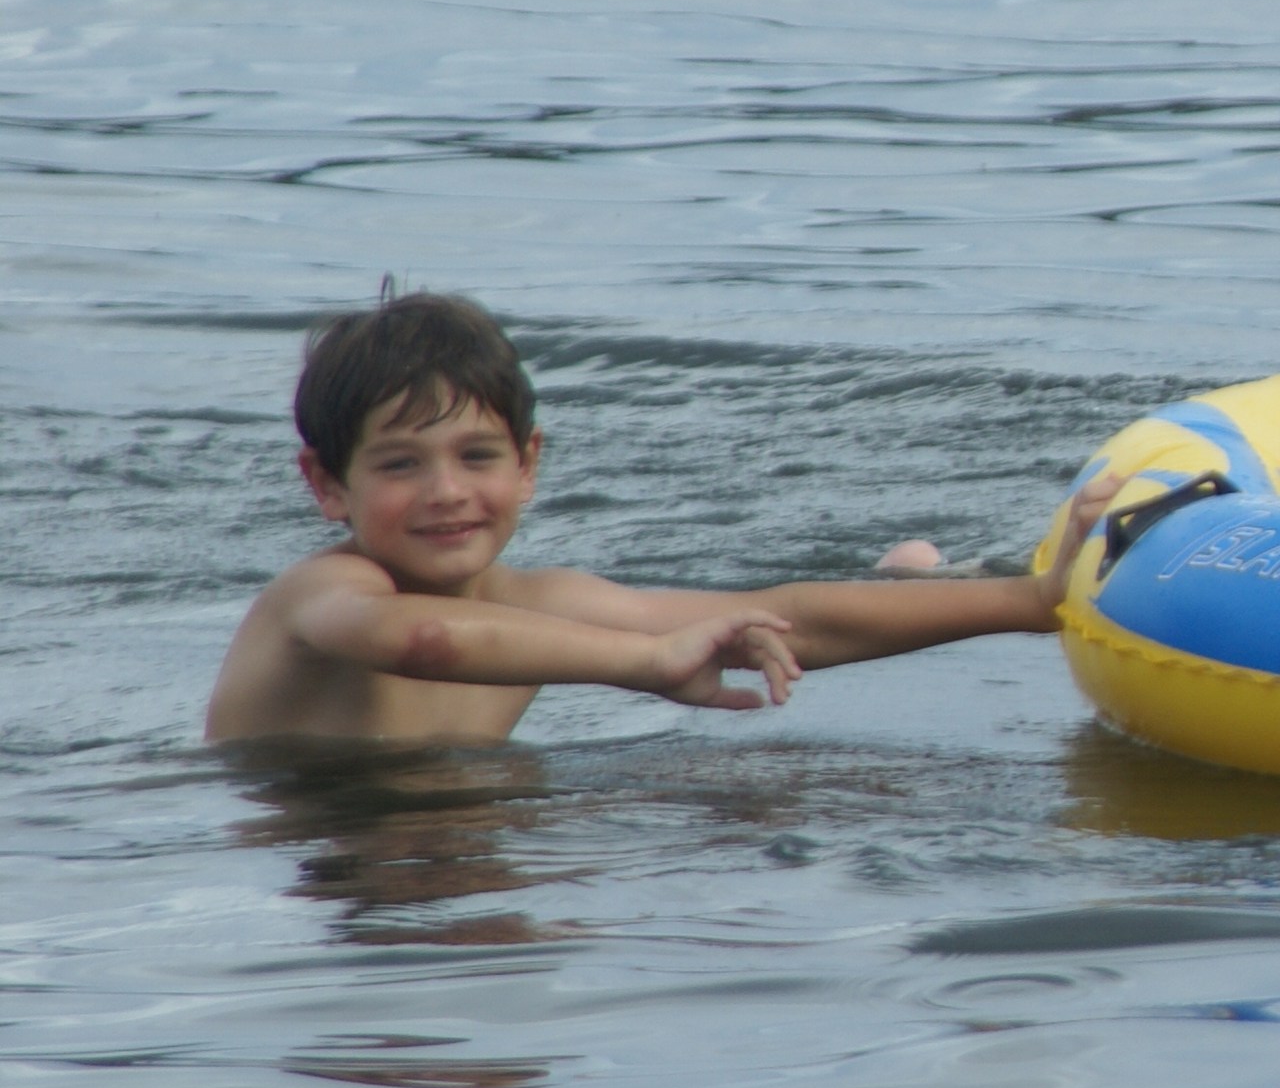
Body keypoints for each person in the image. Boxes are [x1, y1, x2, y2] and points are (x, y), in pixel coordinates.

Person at [205, 290, 1117, 746]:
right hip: (323, 850)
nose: (446, 491)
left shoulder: (538, 603)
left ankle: (926, 580)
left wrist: (1034, 602)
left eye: (477, 457)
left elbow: (784, 622)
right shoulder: (318, 597)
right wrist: (646, 662)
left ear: (528, 466)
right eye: (401, 464)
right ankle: (911, 573)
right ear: (328, 485)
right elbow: (426, 638)